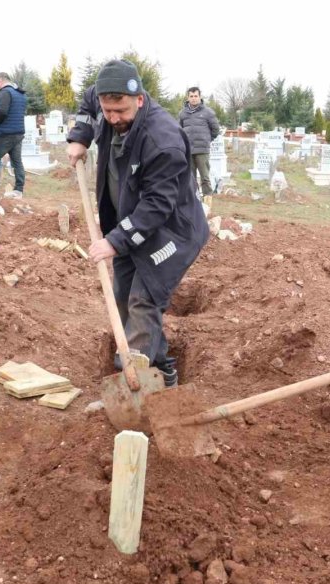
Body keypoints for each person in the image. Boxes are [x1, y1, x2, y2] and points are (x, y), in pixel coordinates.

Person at [66, 60, 209, 387]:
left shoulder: (163, 140)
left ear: (140, 99)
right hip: (129, 224)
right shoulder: (102, 99)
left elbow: (158, 205)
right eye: (109, 110)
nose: (114, 118)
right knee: (122, 294)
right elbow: (89, 104)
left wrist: (114, 242)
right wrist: (81, 136)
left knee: (143, 300)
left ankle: (139, 383)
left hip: (170, 233)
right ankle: (162, 366)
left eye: (122, 111)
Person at [0, 72, 27, 199]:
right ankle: (18, 190)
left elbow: (3, 112)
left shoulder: (5, 92)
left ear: (0, 81)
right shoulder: (20, 94)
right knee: (17, 161)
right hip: (18, 133)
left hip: (4, 133)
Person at [178, 86, 221, 197]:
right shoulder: (182, 113)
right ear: (188, 98)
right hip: (188, 150)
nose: (193, 98)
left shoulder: (208, 112)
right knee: (190, 177)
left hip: (202, 150)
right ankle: (192, 197)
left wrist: (207, 139)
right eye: (191, 96)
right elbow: (178, 130)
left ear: (200, 97)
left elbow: (216, 129)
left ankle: (207, 197)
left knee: (205, 177)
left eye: (195, 96)